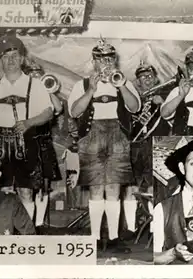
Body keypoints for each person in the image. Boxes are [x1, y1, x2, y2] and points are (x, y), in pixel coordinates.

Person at [0, 34, 54, 226]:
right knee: (1, 188)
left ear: (22, 58)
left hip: (27, 140)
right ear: (1, 60)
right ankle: (4, 232)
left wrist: (30, 122)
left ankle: (26, 234)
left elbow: (48, 112)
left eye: (15, 55)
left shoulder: (35, 84)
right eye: (6, 57)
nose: (11, 60)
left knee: (26, 190)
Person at [67, 39, 140, 252]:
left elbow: (134, 108)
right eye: (101, 59)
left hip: (118, 136)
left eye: (109, 59)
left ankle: (114, 238)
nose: (105, 63)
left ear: (114, 60)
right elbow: (74, 112)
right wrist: (91, 89)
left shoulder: (124, 81)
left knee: (114, 188)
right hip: (91, 136)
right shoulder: (81, 84)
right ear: (94, 61)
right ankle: (95, 238)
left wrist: (122, 85)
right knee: (96, 189)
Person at [123, 62, 172, 239]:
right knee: (131, 186)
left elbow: (174, 117)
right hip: (135, 146)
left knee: (154, 186)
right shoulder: (132, 98)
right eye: (143, 77)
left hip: (155, 144)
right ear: (137, 81)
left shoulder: (167, 94)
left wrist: (164, 102)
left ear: (156, 78)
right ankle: (130, 228)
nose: (148, 79)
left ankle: (154, 229)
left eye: (150, 76)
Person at [21, 64, 63, 227]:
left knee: (44, 187)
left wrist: (48, 90)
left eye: (39, 74)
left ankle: (39, 225)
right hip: (25, 143)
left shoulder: (46, 93)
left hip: (44, 143)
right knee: (26, 187)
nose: (36, 77)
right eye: (33, 75)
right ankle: (28, 226)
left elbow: (59, 108)